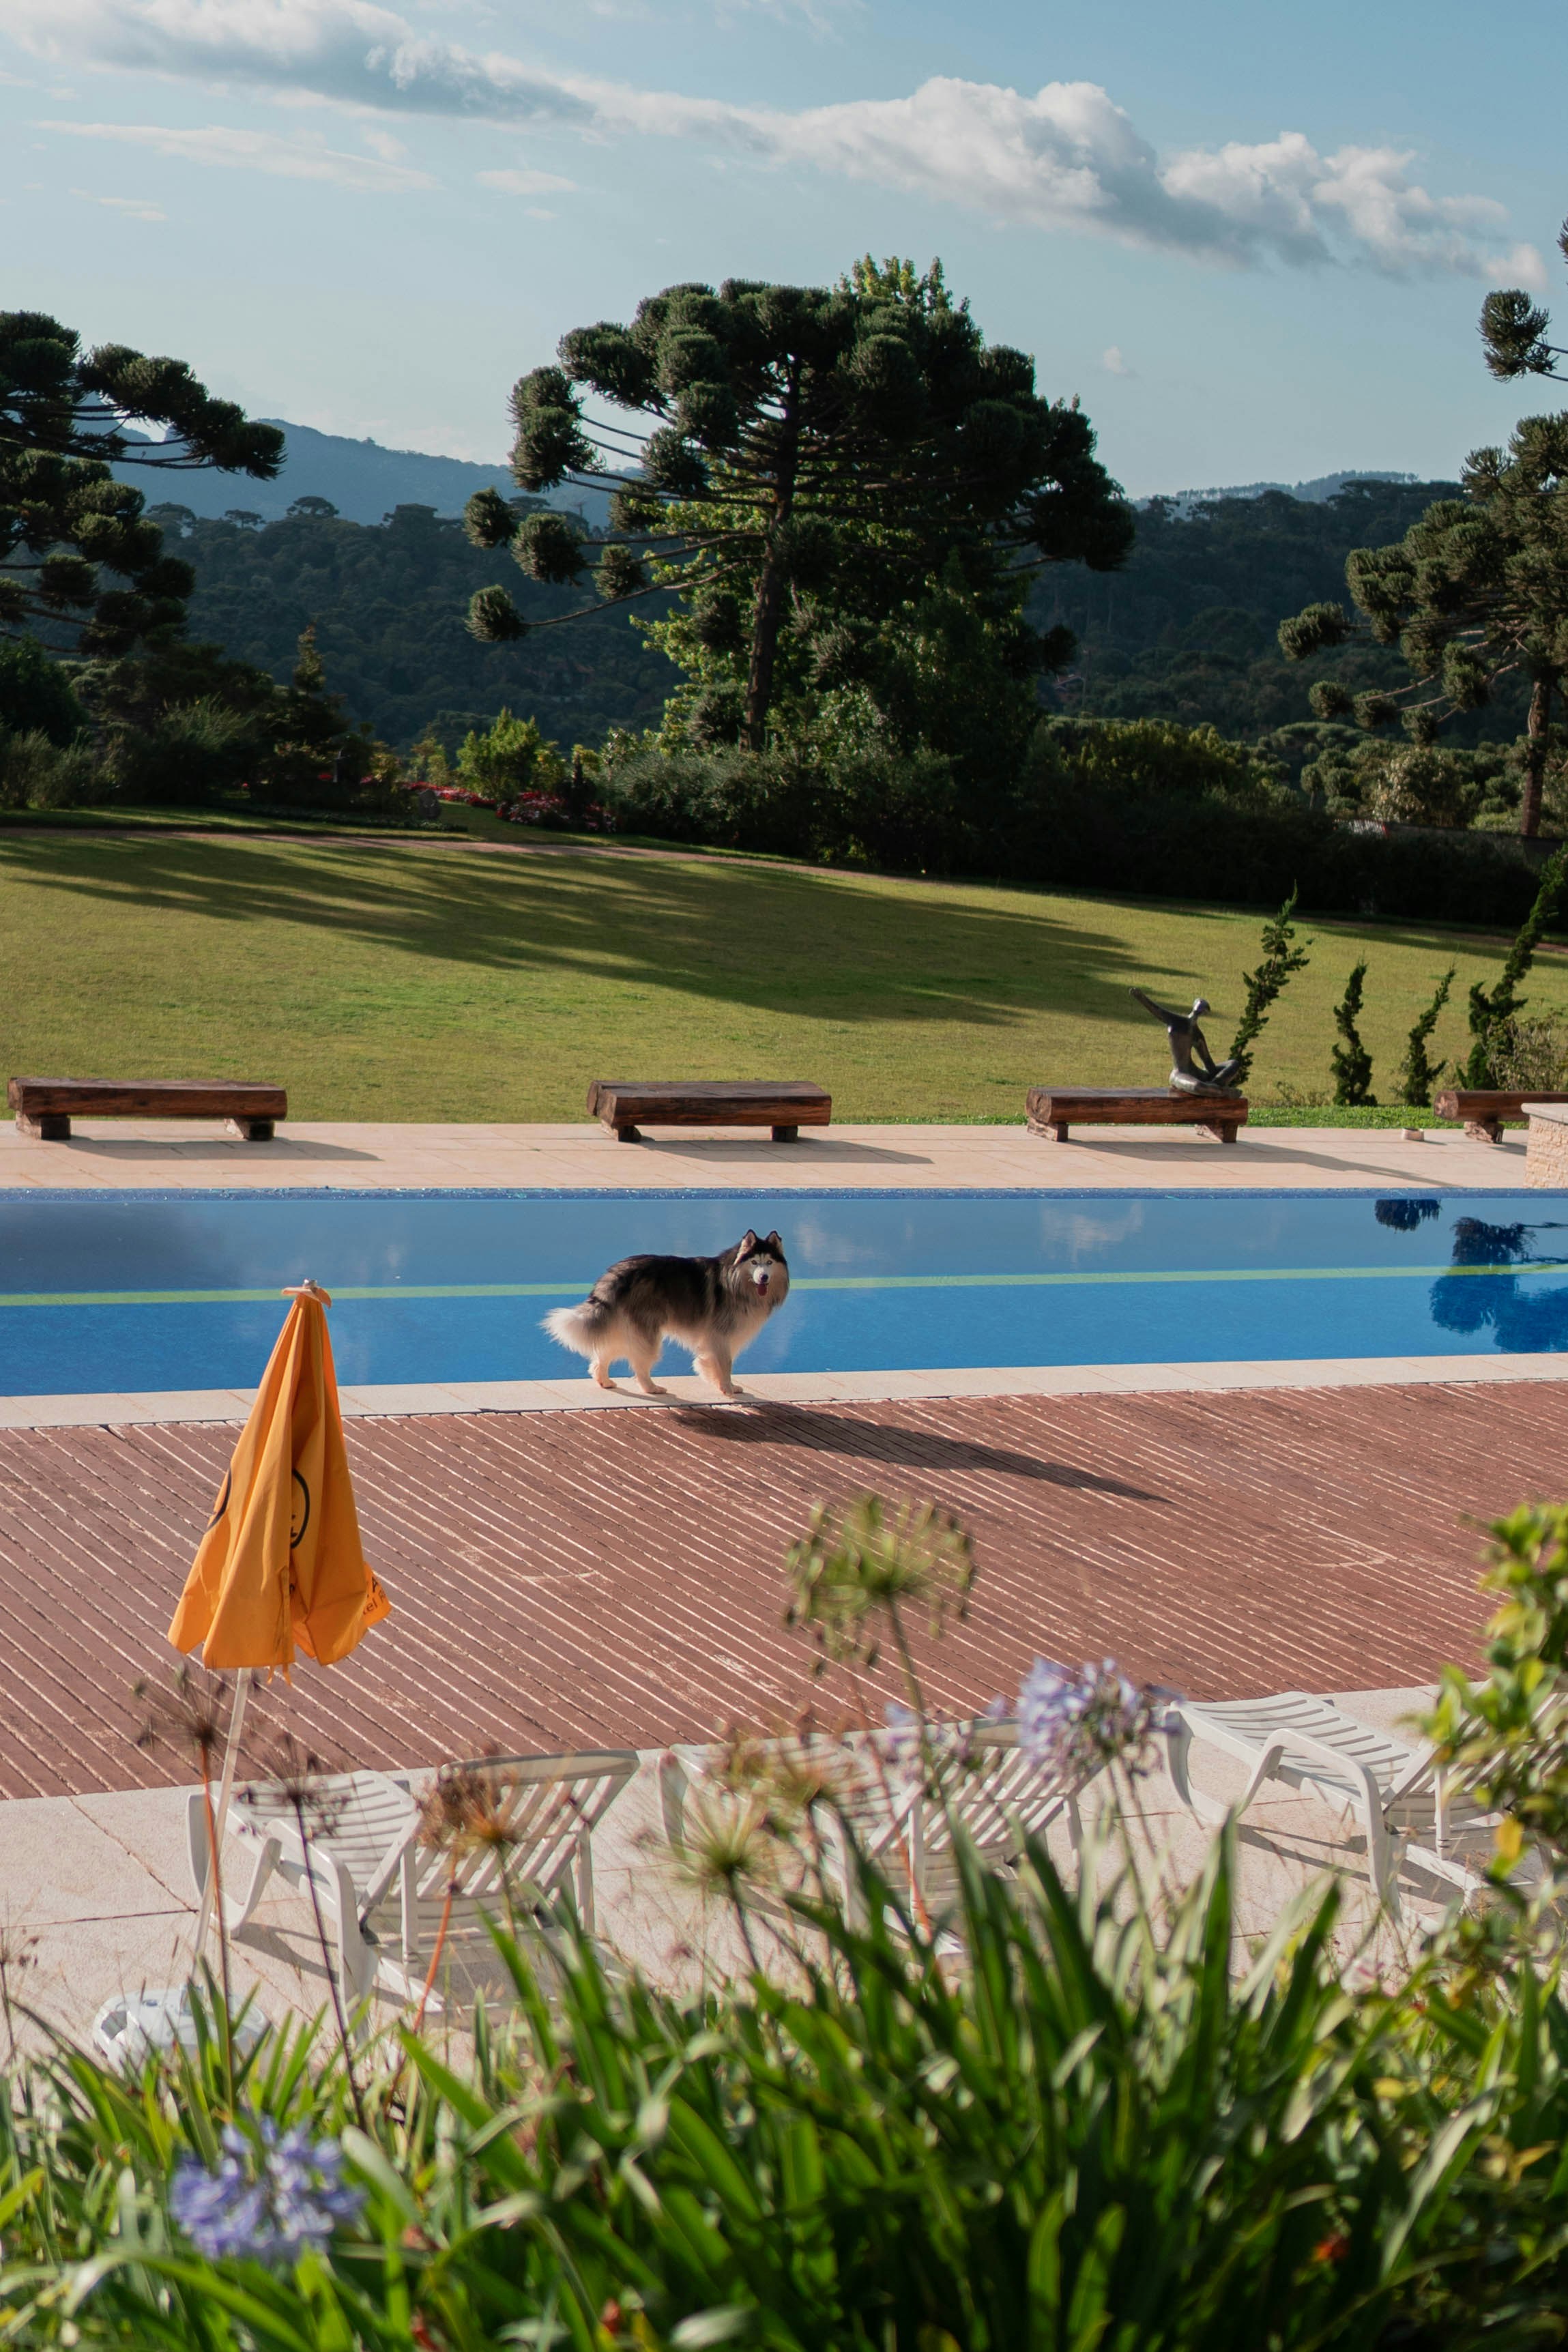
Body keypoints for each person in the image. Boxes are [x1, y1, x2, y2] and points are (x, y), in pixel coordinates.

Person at [1129, 988, 1243, 1095]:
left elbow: (1208, 1063)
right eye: (1199, 1009)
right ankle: (1221, 1091)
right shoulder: (1176, 1021)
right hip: (1181, 1074)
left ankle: (1213, 1087)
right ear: (1194, 1008)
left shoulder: (1197, 1033)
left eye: (1202, 1012)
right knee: (1198, 1087)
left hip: (1196, 1073)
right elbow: (1157, 1011)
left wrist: (1221, 1075)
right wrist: (1141, 997)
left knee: (1234, 1064)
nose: (1199, 1013)